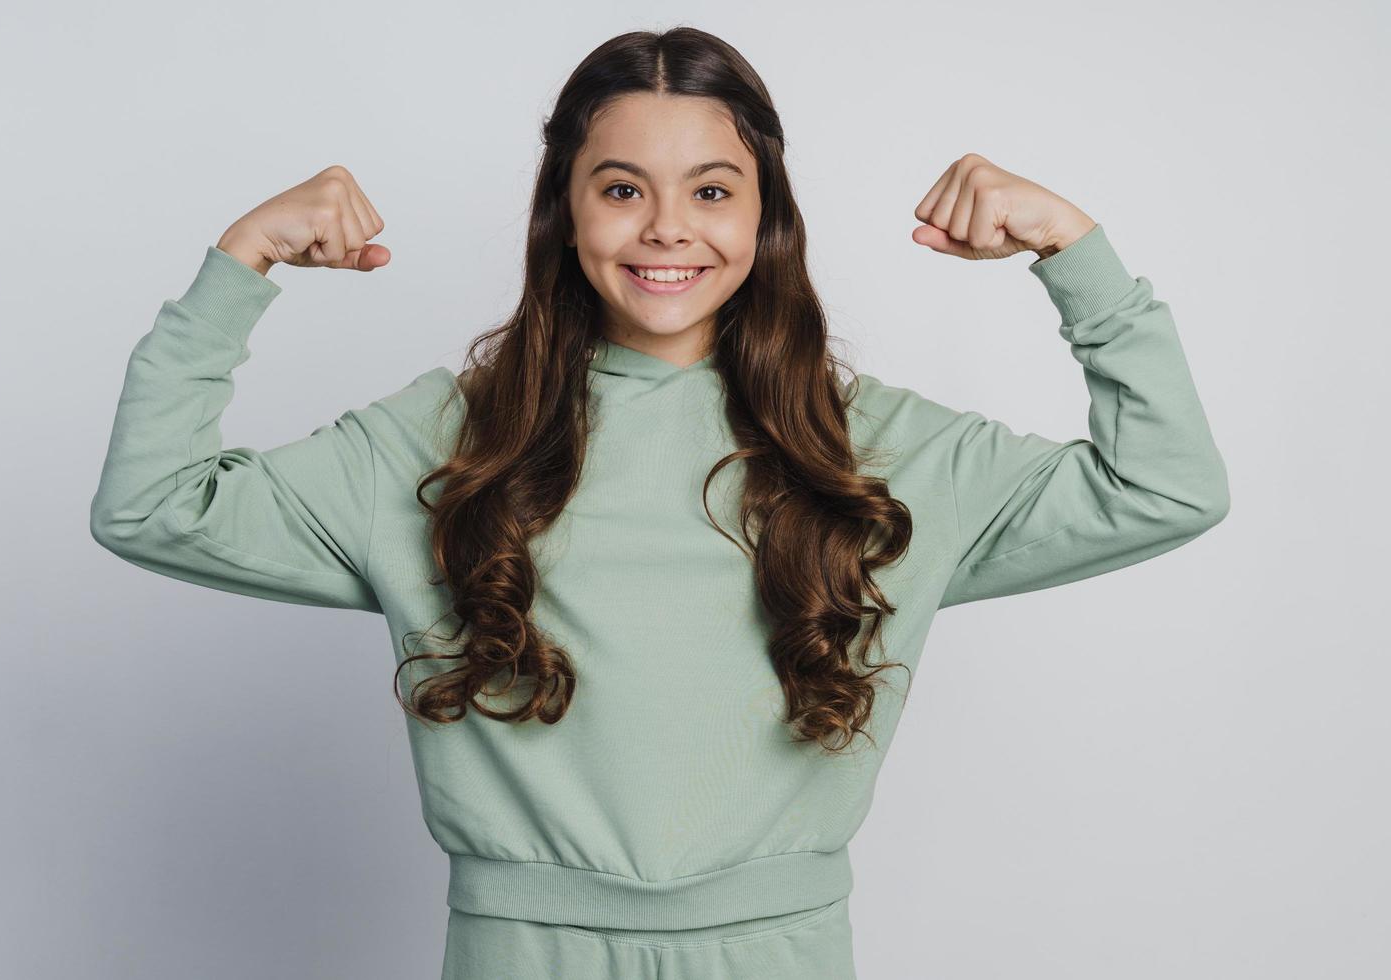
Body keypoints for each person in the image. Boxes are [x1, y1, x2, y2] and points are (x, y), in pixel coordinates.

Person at [89, 26, 1230, 980]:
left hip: (781, 951)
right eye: (623, 188)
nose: (668, 228)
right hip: (519, 951)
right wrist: (241, 263)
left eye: (713, 189)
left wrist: (1076, 255)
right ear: (567, 211)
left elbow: (1166, 484)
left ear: (764, 214)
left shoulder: (874, 448)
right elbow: (151, 504)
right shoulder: (442, 443)